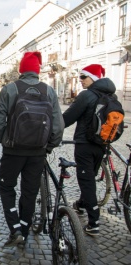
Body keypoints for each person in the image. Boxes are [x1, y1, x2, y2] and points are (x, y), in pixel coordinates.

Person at [0, 51, 64, 248]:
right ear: (37, 71)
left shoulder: (10, 89)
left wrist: (5, 139)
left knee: (6, 186)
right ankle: (24, 227)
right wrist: (49, 145)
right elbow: (57, 126)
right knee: (30, 191)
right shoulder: (49, 91)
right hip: (38, 152)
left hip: (13, 151)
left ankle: (15, 229)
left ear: (21, 70)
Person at [62, 64, 113, 236]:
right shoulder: (110, 96)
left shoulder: (87, 95)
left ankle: (94, 223)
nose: (80, 80)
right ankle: (82, 204)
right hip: (102, 146)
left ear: (94, 78)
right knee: (90, 176)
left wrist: (51, 128)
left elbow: (68, 117)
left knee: (87, 181)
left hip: (85, 145)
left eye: (84, 77)